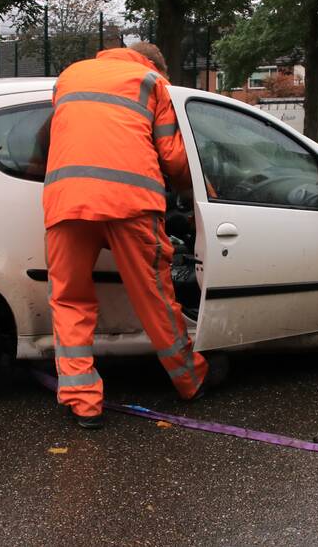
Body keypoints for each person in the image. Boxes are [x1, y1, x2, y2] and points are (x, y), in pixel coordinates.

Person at [43, 42, 225, 430]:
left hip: (67, 199)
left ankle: (83, 402)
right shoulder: (151, 82)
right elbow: (174, 157)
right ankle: (190, 380)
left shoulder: (69, 75)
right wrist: (196, 194)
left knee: (69, 298)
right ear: (156, 64)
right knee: (154, 297)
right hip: (131, 201)